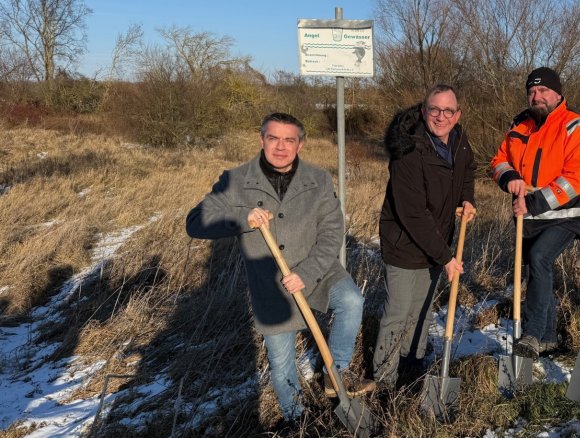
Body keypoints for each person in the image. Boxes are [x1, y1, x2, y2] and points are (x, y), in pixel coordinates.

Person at [186, 112, 374, 426]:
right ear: (262, 140)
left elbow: (331, 232)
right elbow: (195, 222)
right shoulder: (236, 180)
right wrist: (243, 215)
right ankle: (294, 421)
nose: (281, 147)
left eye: (289, 140)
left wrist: (309, 271)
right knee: (283, 361)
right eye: (273, 139)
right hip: (270, 283)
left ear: (300, 144)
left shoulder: (318, 179)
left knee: (352, 301)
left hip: (318, 270)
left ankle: (336, 372)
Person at [490, 67, 580, 359]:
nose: (537, 96)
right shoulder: (520, 125)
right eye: (532, 92)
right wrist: (508, 176)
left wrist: (533, 203)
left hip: (566, 214)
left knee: (540, 259)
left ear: (558, 93)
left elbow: (574, 180)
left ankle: (533, 334)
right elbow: (499, 160)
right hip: (528, 217)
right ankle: (550, 339)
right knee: (539, 271)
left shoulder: (576, 127)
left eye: (543, 91)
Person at [374, 84, 476, 387]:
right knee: (398, 314)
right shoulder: (408, 151)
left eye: (447, 111)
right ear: (424, 111)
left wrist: (467, 199)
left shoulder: (460, 141)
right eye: (434, 109)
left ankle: (411, 366)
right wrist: (446, 257)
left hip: (436, 241)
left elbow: (467, 170)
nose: (440, 117)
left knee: (422, 309)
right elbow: (413, 214)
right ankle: (384, 381)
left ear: (457, 115)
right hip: (405, 244)